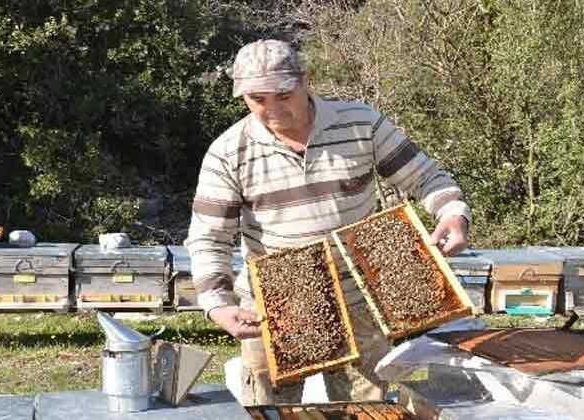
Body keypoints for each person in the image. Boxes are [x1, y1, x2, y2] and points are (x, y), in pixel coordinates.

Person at [185, 39, 471, 405]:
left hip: (361, 304)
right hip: (275, 310)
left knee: (364, 410)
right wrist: (217, 303)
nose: (272, 110)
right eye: (258, 99)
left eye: (283, 95)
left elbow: (426, 177)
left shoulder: (360, 124)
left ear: (307, 80)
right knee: (272, 410)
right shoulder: (228, 153)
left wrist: (452, 213)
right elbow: (209, 238)